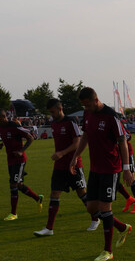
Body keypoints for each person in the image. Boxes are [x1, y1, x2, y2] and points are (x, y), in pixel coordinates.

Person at [70, 87, 133, 261]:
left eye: (87, 104)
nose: (86, 107)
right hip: (95, 169)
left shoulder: (111, 116)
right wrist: (75, 156)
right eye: (83, 105)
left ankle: (108, 251)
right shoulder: (87, 114)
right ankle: (122, 227)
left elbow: (123, 142)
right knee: (91, 208)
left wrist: (126, 168)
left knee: (105, 209)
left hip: (111, 169)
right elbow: (85, 137)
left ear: (95, 99)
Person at [33, 99, 100, 237]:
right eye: (50, 113)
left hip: (73, 164)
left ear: (60, 108)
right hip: (59, 166)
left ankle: (95, 218)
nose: (51, 115)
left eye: (53, 112)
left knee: (82, 193)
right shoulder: (53, 124)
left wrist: (62, 153)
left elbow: (78, 142)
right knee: (54, 194)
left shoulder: (71, 122)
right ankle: (49, 228)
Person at [0, 109, 43, 221]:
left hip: (19, 160)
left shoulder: (14, 125)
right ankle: (38, 198)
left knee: (13, 184)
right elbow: (7, 137)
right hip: (10, 160)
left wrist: (21, 151)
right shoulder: (0, 127)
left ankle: (13, 213)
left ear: (3, 117)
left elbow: (30, 138)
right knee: (19, 185)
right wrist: (2, 144)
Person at [117, 123, 135, 214]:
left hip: (127, 152)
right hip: (115, 154)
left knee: (130, 179)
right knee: (114, 180)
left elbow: (128, 136)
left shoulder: (117, 123)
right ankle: (129, 198)